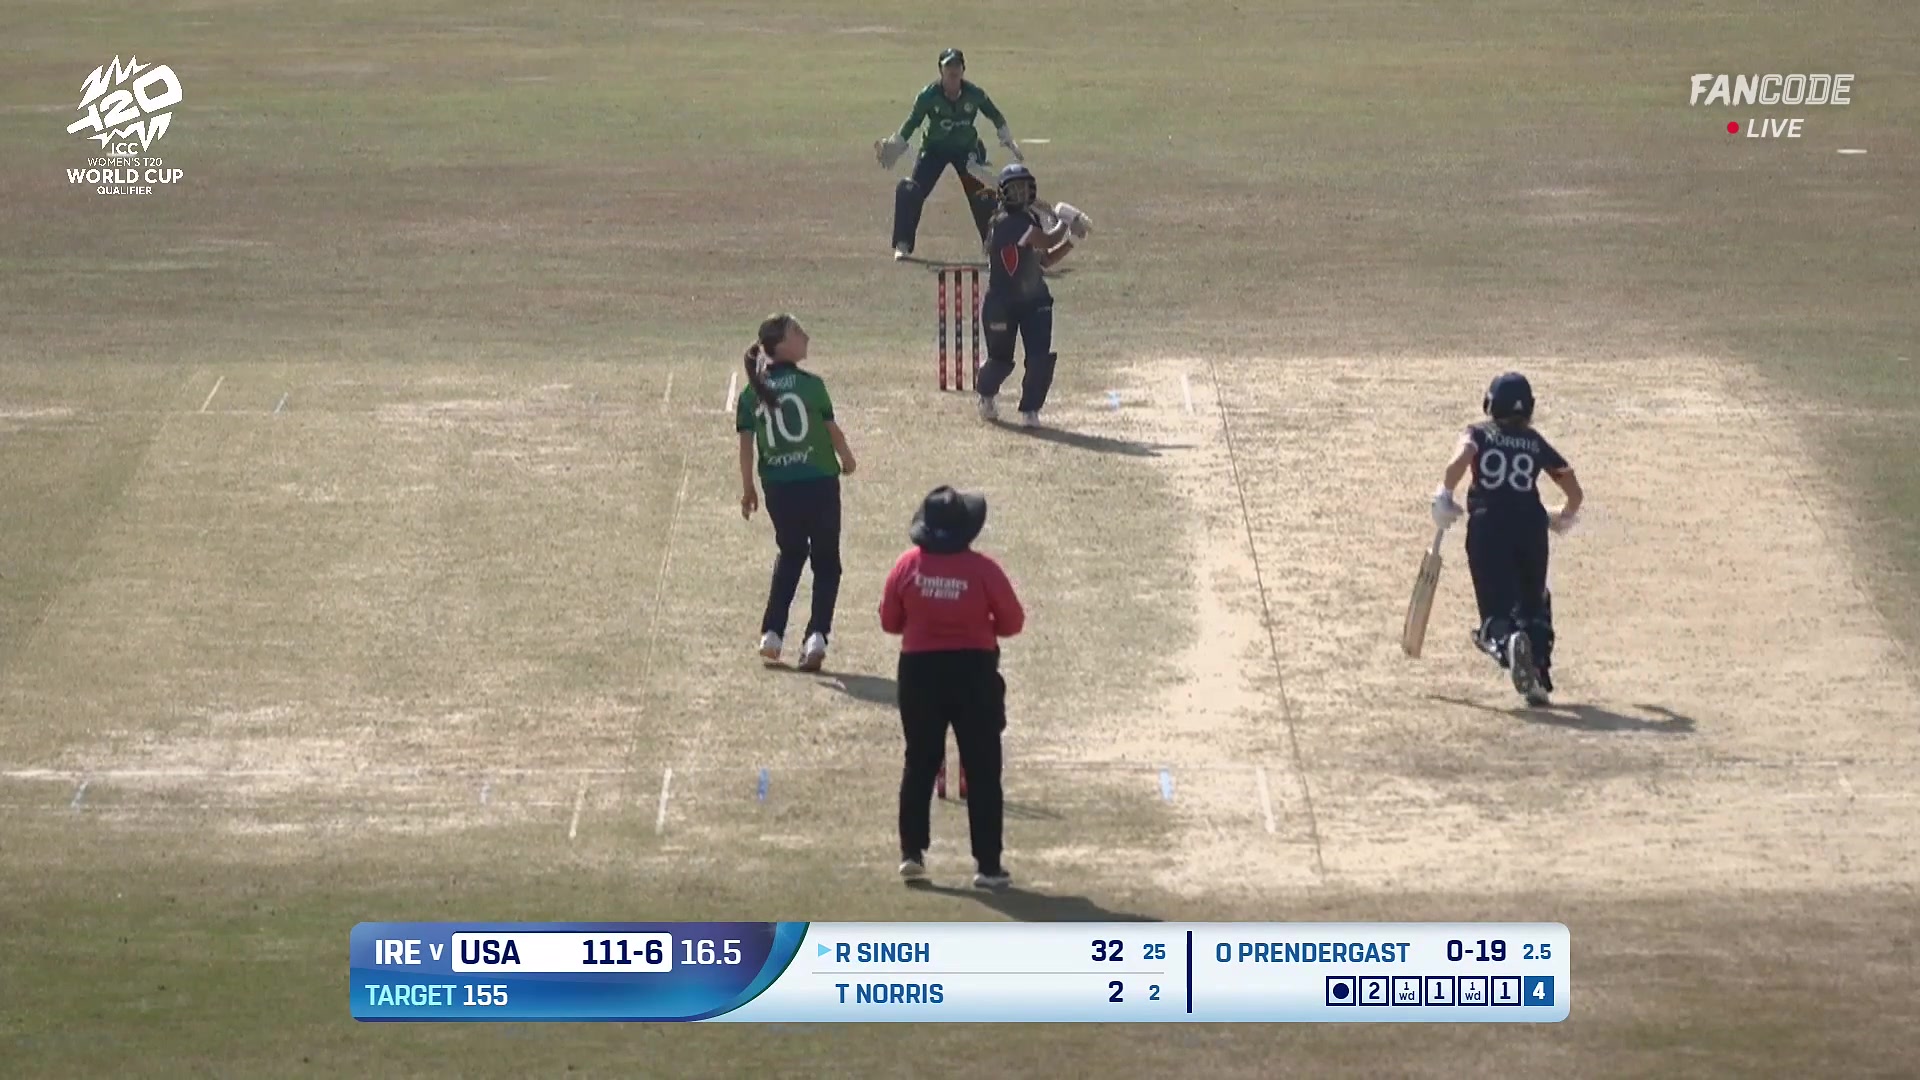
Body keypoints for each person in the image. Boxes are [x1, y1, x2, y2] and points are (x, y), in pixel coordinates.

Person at [879, 486, 1025, 888]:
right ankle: (988, 865)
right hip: (974, 672)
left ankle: (912, 853)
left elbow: (889, 621)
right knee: (983, 767)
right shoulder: (984, 570)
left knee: (920, 761)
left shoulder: (907, 566)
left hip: (919, 672)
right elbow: (1013, 622)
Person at [1430, 373, 1584, 706]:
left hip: (1489, 527)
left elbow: (1460, 459)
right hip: (1532, 527)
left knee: (1495, 610)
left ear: (1489, 404)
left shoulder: (1477, 433)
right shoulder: (1534, 441)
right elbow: (1572, 485)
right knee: (1534, 603)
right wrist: (1564, 515)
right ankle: (1538, 670)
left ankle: (1506, 641)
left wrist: (1444, 494)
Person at [736, 313, 858, 672]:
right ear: (780, 345)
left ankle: (772, 634)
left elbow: (746, 447)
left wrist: (748, 488)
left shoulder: (750, 393)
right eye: (797, 332)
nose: (806, 336)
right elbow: (832, 432)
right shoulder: (811, 386)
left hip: (778, 487)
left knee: (790, 553)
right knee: (827, 561)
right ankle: (816, 636)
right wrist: (848, 460)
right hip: (819, 482)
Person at [876, 48, 1025, 260]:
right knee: (911, 191)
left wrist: (1007, 138)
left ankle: (994, 246)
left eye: (957, 66)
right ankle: (903, 243)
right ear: (941, 70)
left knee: (983, 196)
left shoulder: (975, 94)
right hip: (934, 150)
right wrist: (897, 143)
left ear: (963, 69)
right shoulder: (928, 96)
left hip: (966, 151)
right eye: (948, 66)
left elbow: (995, 115)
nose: (953, 71)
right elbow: (912, 122)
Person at [973, 163, 1079, 427]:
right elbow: (1048, 239)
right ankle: (985, 394)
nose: (1019, 193)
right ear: (1003, 193)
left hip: (1034, 301)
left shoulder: (1030, 221)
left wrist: (1072, 241)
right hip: (1001, 303)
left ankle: (1031, 410)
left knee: (1040, 359)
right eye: (1014, 189)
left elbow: (1045, 259)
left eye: (1023, 188)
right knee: (1000, 362)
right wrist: (1065, 221)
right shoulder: (1006, 223)